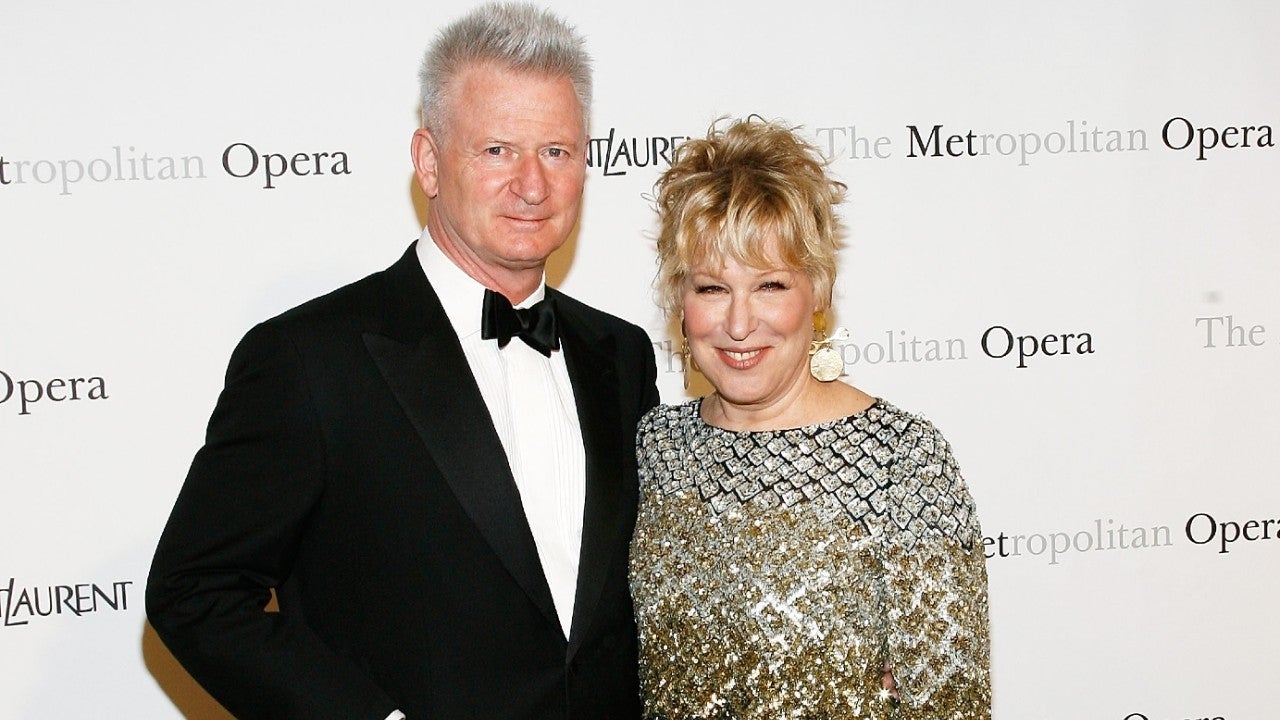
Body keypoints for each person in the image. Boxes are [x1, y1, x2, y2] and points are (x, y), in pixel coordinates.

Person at [146, 4, 658, 719]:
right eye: (497, 150)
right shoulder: (308, 360)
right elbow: (194, 591)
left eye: (556, 151)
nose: (532, 185)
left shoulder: (622, 354)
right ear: (429, 161)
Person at [629, 117, 991, 719]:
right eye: (712, 288)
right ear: (679, 300)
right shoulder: (654, 447)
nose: (739, 324)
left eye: (770, 285)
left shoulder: (903, 459)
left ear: (818, 291)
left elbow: (950, 706)